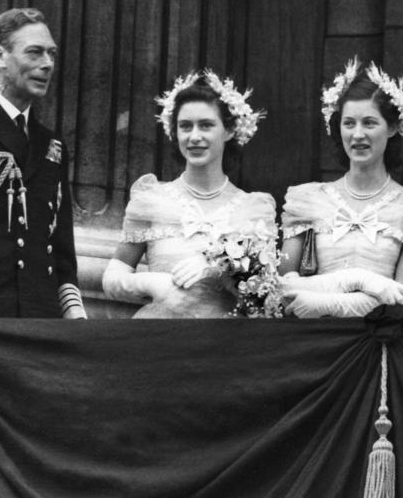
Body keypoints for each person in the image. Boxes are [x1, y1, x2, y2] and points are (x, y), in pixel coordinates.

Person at [0, 8, 86, 318]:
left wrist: (73, 311)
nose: (47, 64)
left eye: (51, 54)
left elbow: (61, 244)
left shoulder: (52, 145)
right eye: (34, 52)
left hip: (41, 318)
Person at [102, 70, 277, 318]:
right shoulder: (151, 201)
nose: (194, 137)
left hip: (229, 339)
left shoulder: (254, 209)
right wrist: (151, 283)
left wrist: (221, 268)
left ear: (228, 131)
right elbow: (114, 275)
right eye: (185, 126)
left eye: (206, 125)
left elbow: (267, 300)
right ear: (175, 133)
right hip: (161, 334)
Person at [277, 59, 403, 317]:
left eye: (369, 123)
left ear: (392, 127)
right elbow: (281, 287)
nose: (358, 134)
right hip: (313, 335)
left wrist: (324, 304)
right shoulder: (308, 200)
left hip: (380, 336)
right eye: (349, 123)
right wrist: (357, 280)